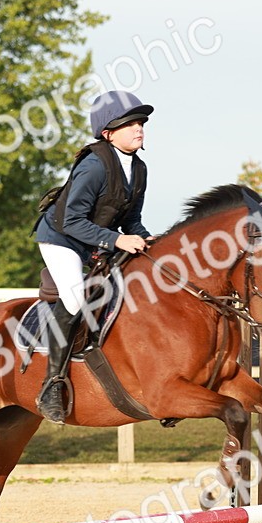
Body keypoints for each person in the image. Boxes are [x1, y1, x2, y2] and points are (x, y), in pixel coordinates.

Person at [32, 90, 156, 423]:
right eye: (129, 123)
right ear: (107, 133)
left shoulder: (139, 168)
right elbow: (72, 221)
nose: (139, 128)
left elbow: (130, 221)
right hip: (61, 239)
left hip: (94, 241)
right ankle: (51, 385)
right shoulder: (94, 165)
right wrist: (116, 240)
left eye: (140, 122)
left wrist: (147, 238)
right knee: (74, 300)